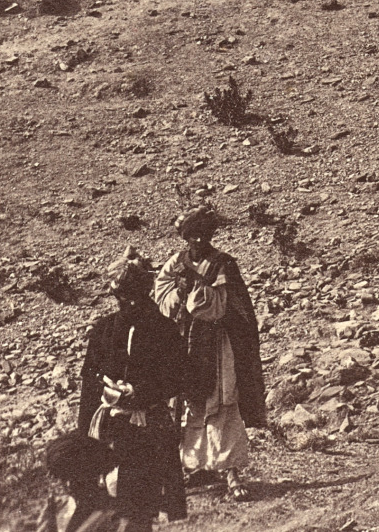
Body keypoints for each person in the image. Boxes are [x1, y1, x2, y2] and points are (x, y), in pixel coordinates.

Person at [77, 254, 191, 528]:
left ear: (145, 293)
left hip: (150, 429)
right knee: (112, 503)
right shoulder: (104, 330)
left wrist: (141, 392)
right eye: (122, 297)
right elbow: (89, 386)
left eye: (134, 297)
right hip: (111, 429)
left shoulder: (164, 329)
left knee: (141, 507)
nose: (128, 304)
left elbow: (179, 378)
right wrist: (85, 441)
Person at [160, 206, 262, 497]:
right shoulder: (176, 263)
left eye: (203, 234)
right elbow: (162, 298)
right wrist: (179, 292)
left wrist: (203, 295)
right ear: (185, 237)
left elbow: (232, 306)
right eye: (192, 235)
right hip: (184, 343)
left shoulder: (223, 263)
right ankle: (196, 466)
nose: (198, 240)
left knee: (222, 403)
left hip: (216, 344)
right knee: (190, 404)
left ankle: (231, 472)